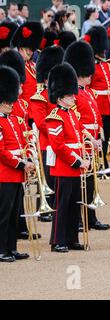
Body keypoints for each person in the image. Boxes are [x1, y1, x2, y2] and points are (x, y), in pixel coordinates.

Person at [64, 40, 110, 231]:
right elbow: (75, 121)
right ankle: (77, 220)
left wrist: (99, 136)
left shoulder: (89, 92)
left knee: (91, 182)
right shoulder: (74, 94)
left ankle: (90, 217)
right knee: (80, 184)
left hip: (92, 141)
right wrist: (88, 138)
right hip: (82, 142)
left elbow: (97, 116)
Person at [46, 63, 90, 253]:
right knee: (62, 205)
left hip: (76, 164)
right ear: (60, 96)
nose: (74, 97)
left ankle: (72, 238)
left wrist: (87, 150)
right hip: (65, 166)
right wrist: (77, 160)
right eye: (70, 95)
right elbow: (58, 145)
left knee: (74, 205)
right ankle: (58, 240)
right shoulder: (55, 117)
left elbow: (79, 136)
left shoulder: (72, 114)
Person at [0, 66, 33, 262]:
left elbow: (25, 142)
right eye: (7, 102)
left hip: (18, 172)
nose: (11, 104)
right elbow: (2, 152)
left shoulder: (15, 120)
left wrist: (28, 159)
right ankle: (1, 249)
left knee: (14, 214)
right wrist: (21, 164)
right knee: (3, 214)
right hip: (5, 173)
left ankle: (11, 247)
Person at [29, 46, 65, 224]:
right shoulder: (40, 97)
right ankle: (44, 208)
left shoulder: (57, 95)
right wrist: (58, 133)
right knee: (46, 177)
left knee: (57, 177)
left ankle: (54, 206)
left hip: (59, 141)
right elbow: (42, 122)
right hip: (47, 143)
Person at [85, 26, 110, 175]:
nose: (104, 52)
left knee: (105, 135)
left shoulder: (105, 64)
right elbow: (89, 86)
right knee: (98, 135)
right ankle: (98, 163)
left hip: (108, 104)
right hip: (97, 103)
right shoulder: (91, 64)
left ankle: (104, 160)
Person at [11, 21, 44, 117]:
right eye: (27, 49)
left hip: (36, 113)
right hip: (25, 114)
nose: (30, 52)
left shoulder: (32, 65)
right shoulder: (15, 66)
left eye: (31, 49)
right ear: (20, 48)